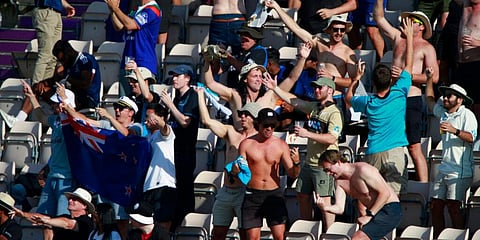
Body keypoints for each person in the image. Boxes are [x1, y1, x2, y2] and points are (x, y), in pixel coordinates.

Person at [345, 18, 414, 196]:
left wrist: (356, 78)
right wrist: (410, 38)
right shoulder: (399, 94)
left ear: (373, 84)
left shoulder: (368, 102)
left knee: (373, 197)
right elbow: (409, 65)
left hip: (374, 152)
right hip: (395, 153)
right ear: (391, 81)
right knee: (392, 198)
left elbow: (348, 98)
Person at [263, 75, 342, 230]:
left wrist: (307, 134)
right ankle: (307, 231)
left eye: (320, 87)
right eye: (315, 87)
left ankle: (329, 233)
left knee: (324, 202)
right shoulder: (315, 107)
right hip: (310, 163)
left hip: (325, 165)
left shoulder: (334, 113)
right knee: (302, 195)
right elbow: (295, 101)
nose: (316, 90)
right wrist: (275, 88)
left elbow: (332, 138)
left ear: (330, 90)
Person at [373, 0, 439, 183]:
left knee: (414, 147)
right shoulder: (397, 39)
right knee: (387, 144)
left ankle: (423, 187)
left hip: (411, 99)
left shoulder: (427, 47)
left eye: (413, 20)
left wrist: (406, 76)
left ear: (421, 27)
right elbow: (378, 18)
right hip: (392, 99)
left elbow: (434, 77)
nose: (407, 21)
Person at [197, 87, 259, 240]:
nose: (242, 117)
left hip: (245, 192)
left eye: (247, 115)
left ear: (255, 118)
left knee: (245, 234)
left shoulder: (259, 140)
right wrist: (200, 95)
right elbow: (206, 121)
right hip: (226, 190)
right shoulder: (231, 132)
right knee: (217, 233)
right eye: (241, 114)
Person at [204, 42, 311, 130]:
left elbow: (291, 79)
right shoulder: (234, 95)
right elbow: (210, 83)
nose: (259, 79)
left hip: (261, 147)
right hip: (240, 142)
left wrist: (302, 59)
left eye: (260, 76)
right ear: (245, 79)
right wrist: (207, 61)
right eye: (255, 76)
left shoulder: (270, 96)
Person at [425, 69, 478, 238]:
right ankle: (440, 236)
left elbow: (471, 138)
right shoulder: (444, 113)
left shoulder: (467, 115)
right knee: (435, 206)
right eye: (446, 95)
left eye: (450, 96)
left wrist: (454, 130)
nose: (446, 98)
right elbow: (430, 101)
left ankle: (457, 237)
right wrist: (429, 79)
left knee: (454, 208)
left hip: (460, 171)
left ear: (460, 100)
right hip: (444, 168)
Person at [22, 80, 77, 240]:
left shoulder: (74, 124)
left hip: (67, 180)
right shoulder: (57, 121)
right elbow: (41, 116)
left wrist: (65, 100)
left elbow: (75, 117)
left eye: (56, 103)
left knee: (62, 222)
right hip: (53, 177)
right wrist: (32, 97)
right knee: (44, 220)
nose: (53, 106)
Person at [238, 108, 300, 240]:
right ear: (258, 124)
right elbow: (240, 170)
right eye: (266, 125)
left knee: (280, 237)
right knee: (252, 238)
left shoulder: (281, 145)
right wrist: (236, 170)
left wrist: (296, 164)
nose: (269, 129)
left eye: (272, 125)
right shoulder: (246, 144)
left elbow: (293, 174)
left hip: (273, 195)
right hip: (252, 194)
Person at [314, 150, 402, 240]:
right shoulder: (339, 182)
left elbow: (385, 193)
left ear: (338, 162)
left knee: (358, 238)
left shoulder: (362, 170)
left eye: (328, 169)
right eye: (325, 171)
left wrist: (369, 216)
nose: (328, 174)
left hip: (390, 209)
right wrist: (325, 207)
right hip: (374, 212)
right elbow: (340, 208)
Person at [159, 65, 199, 231]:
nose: (174, 79)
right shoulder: (176, 98)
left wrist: (170, 104)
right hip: (173, 151)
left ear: (187, 78)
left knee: (184, 191)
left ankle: (186, 225)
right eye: (173, 76)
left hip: (185, 151)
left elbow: (185, 122)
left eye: (178, 75)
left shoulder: (192, 97)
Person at [106, 0, 161, 96]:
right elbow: (119, 26)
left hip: (143, 63)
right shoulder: (136, 10)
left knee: (144, 100)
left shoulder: (153, 10)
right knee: (124, 103)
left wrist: (116, 8)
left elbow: (130, 25)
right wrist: (112, 10)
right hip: (127, 61)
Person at [143, 103, 177, 236]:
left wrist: (160, 122)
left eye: (151, 117)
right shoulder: (147, 139)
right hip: (147, 187)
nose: (147, 120)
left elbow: (165, 128)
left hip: (164, 185)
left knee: (162, 228)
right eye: (146, 117)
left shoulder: (166, 135)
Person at [17, 188, 95, 240]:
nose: (70, 200)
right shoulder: (63, 217)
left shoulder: (86, 221)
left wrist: (47, 221)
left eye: (74, 199)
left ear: (84, 205)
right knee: (48, 226)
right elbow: (42, 217)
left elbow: (68, 224)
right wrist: (22, 214)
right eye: (69, 198)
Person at [32, 0, 75, 84]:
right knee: (45, 54)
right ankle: (35, 88)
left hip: (56, 13)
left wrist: (66, 6)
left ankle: (45, 87)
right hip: (45, 11)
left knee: (53, 56)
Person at [52, 40, 102, 110]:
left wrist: (68, 79)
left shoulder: (85, 60)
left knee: (60, 103)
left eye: (62, 59)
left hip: (88, 98)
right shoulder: (68, 63)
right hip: (73, 96)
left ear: (69, 53)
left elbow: (85, 84)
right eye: (59, 60)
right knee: (42, 90)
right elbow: (57, 79)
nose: (62, 62)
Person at [456, 0, 480, 122]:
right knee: (462, 104)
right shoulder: (465, 4)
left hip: (477, 63)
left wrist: (477, 43)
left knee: (477, 105)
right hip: (461, 64)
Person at [287, 0, 356, 35]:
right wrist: (292, 19)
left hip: (328, 33)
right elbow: (296, 2)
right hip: (304, 30)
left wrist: (332, 12)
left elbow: (353, 4)